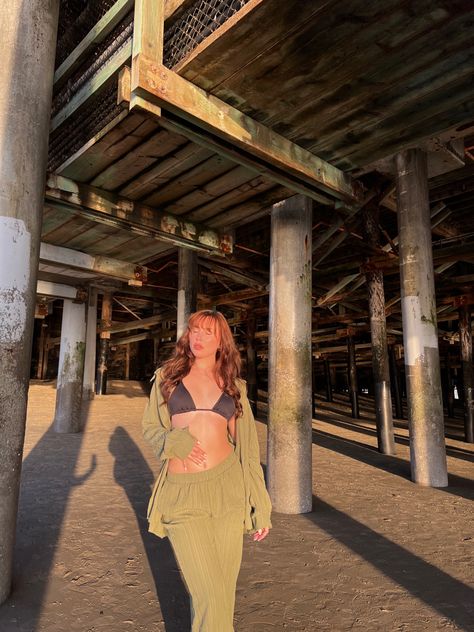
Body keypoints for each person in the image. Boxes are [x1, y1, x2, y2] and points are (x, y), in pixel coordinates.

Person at [142, 309, 272, 632]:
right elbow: (150, 428)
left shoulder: (234, 386)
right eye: (194, 330)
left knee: (221, 594)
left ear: (221, 342)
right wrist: (176, 443)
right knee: (211, 593)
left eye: (207, 333)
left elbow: (248, 452)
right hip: (184, 496)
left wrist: (261, 506)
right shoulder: (167, 378)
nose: (197, 338)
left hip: (228, 490)